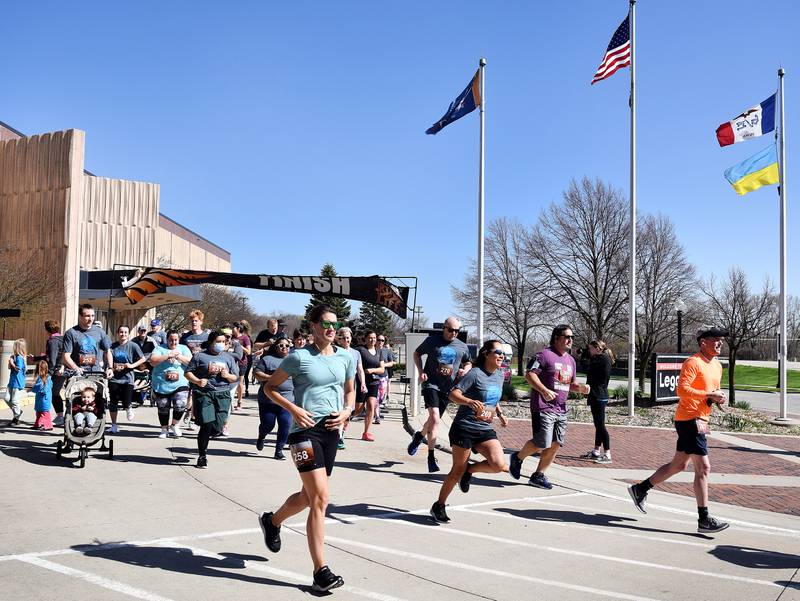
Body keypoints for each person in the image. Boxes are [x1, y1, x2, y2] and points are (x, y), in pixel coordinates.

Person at [257, 304, 355, 593]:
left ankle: (272, 521)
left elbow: (350, 391)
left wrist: (347, 412)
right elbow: (269, 389)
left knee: (307, 495)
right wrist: (294, 409)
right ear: (313, 326)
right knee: (320, 498)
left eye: (335, 325)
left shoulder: (346, 357)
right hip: (303, 432)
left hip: (330, 432)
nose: (331, 329)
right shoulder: (299, 357)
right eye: (326, 324)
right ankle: (319, 571)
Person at [628, 327, 730, 534]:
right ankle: (704, 519)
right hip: (689, 420)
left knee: (679, 465)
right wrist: (709, 393)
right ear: (703, 342)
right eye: (715, 340)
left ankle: (640, 489)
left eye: (722, 340)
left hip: (699, 419)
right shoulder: (693, 362)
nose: (720, 343)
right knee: (704, 468)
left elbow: (708, 393)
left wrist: (717, 398)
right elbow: (682, 390)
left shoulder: (717, 366)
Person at [431, 340, 510, 523]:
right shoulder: (475, 374)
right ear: (486, 354)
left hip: (484, 428)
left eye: (503, 353)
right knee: (457, 469)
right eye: (498, 352)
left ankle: (470, 471)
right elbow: (453, 394)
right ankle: (439, 505)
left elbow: (492, 396)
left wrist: (500, 413)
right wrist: (468, 402)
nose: (501, 356)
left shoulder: (499, 374)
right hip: (464, 428)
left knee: (498, 464)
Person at [508, 324, 589, 489]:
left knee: (556, 443)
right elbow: (530, 374)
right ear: (556, 338)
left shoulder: (570, 360)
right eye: (567, 337)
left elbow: (569, 384)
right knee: (541, 443)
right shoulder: (544, 355)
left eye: (572, 337)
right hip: (543, 407)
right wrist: (544, 390)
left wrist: (580, 388)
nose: (570, 340)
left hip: (561, 408)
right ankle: (517, 458)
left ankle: (538, 475)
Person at [407, 317, 471, 473]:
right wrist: (421, 372)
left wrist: (465, 370)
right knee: (435, 418)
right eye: (451, 330)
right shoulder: (432, 341)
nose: (454, 333)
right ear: (444, 328)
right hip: (431, 384)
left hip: (447, 388)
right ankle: (430, 457)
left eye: (457, 331)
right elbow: (416, 354)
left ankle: (418, 436)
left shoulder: (462, 346)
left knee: (432, 421)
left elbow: (468, 362)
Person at [185, 331, 239, 468]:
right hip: (205, 393)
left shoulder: (229, 358)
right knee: (206, 425)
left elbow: (235, 377)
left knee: (217, 427)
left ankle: (214, 430)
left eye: (223, 342)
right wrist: (197, 381)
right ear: (211, 342)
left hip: (223, 394)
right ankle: (202, 456)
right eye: (218, 341)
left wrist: (227, 375)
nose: (221, 344)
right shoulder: (200, 356)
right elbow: (187, 372)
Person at [253, 337, 293, 459]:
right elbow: (257, 374)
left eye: (286, 345)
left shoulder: (294, 360)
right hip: (268, 400)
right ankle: (262, 435)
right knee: (268, 425)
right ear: (275, 347)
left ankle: (279, 451)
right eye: (281, 345)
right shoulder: (267, 359)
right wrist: (271, 378)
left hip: (287, 400)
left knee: (286, 424)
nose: (284, 347)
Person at [149, 330, 192, 439]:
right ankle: (164, 429)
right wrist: (167, 355)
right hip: (162, 383)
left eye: (175, 340)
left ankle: (174, 424)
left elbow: (191, 362)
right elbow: (152, 361)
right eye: (171, 340)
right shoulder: (160, 348)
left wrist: (178, 357)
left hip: (180, 382)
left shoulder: (183, 348)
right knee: (163, 406)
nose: (173, 342)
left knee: (180, 403)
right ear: (167, 340)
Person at [107, 325, 146, 433]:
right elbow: (108, 356)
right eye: (121, 332)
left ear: (128, 334)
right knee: (113, 402)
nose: (123, 334)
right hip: (115, 378)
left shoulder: (133, 345)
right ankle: (114, 425)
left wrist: (132, 365)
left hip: (128, 378)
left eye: (125, 332)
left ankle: (128, 407)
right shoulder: (113, 346)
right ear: (117, 333)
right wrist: (110, 368)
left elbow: (143, 358)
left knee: (126, 400)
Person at [581, 340, 614, 464]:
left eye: (590, 349)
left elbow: (586, 368)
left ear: (597, 348)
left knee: (600, 426)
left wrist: (583, 357)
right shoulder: (600, 359)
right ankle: (596, 451)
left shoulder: (602, 359)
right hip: (597, 394)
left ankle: (607, 454)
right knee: (598, 425)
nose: (589, 351)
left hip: (599, 395)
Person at [62, 304, 114, 381]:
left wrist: (110, 368)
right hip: (78, 375)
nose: (91, 319)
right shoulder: (71, 333)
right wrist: (76, 368)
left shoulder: (100, 332)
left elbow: (107, 351)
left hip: (96, 374)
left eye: (93, 316)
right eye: (87, 316)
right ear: (80, 316)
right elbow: (66, 356)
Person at [334, 327, 366, 450]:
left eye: (348, 337)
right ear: (339, 339)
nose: (347, 340)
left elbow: (360, 369)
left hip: (351, 385)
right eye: (344, 338)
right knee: (338, 409)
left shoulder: (356, 353)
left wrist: (363, 383)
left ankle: (341, 433)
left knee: (348, 411)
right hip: (338, 385)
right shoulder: (335, 351)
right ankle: (338, 436)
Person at [353, 331, 384, 441]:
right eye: (370, 338)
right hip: (362, 383)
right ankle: (344, 421)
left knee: (371, 405)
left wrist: (372, 370)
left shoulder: (379, 352)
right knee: (357, 411)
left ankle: (366, 432)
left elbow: (382, 369)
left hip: (374, 383)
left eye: (374, 338)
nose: (373, 340)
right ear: (365, 339)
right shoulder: (360, 350)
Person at [44, 320, 67, 426]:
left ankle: (60, 416)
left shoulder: (52, 340)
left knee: (54, 393)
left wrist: (49, 372)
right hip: (63, 368)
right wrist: (37, 358)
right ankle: (61, 415)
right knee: (56, 392)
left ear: (47, 329)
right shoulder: (62, 339)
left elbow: (53, 358)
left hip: (56, 371)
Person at [4, 338, 27, 425]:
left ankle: (16, 418)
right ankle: (18, 411)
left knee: (14, 401)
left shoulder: (20, 358)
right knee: (6, 399)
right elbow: (10, 368)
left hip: (18, 383)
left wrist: (12, 362)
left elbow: (18, 369)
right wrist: (10, 362)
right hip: (11, 382)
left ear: (18, 347)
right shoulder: (14, 356)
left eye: (15, 346)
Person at [375, 335, 396, 424]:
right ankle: (377, 416)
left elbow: (392, 362)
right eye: (378, 340)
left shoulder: (387, 351)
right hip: (373, 377)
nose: (380, 342)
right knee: (375, 398)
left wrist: (384, 365)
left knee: (381, 397)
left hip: (383, 376)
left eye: (382, 340)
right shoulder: (371, 350)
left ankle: (376, 409)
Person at [232, 322, 251, 410]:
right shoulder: (230, 337)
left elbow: (248, 352)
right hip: (231, 362)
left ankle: (239, 402)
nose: (232, 329)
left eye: (233, 328)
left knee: (239, 383)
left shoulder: (245, 338)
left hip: (241, 363)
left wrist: (239, 345)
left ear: (238, 329)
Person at [31, 359, 53, 431]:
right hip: (43, 399)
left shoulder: (45, 378)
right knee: (39, 413)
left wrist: (34, 388)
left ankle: (48, 426)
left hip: (44, 399)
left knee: (44, 413)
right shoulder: (46, 378)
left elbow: (39, 388)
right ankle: (38, 424)